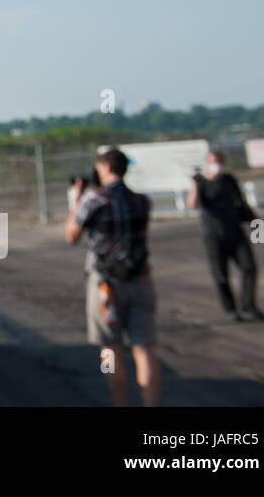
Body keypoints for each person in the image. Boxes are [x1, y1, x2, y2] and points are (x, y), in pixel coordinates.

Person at [65, 148, 160, 406]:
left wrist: (77, 198)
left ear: (106, 168)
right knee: (145, 349)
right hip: (140, 279)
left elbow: (72, 235)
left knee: (110, 351)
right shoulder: (142, 201)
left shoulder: (94, 201)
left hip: (106, 284)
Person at [188, 150, 264, 322]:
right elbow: (193, 204)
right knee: (221, 275)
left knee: (250, 267)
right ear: (207, 163)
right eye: (213, 161)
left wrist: (255, 222)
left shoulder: (229, 180)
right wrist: (196, 184)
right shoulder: (202, 183)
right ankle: (231, 310)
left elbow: (241, 201)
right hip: (213, 236)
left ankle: (249, 304)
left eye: (219, 161)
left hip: (236, 232)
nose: (216, 164)